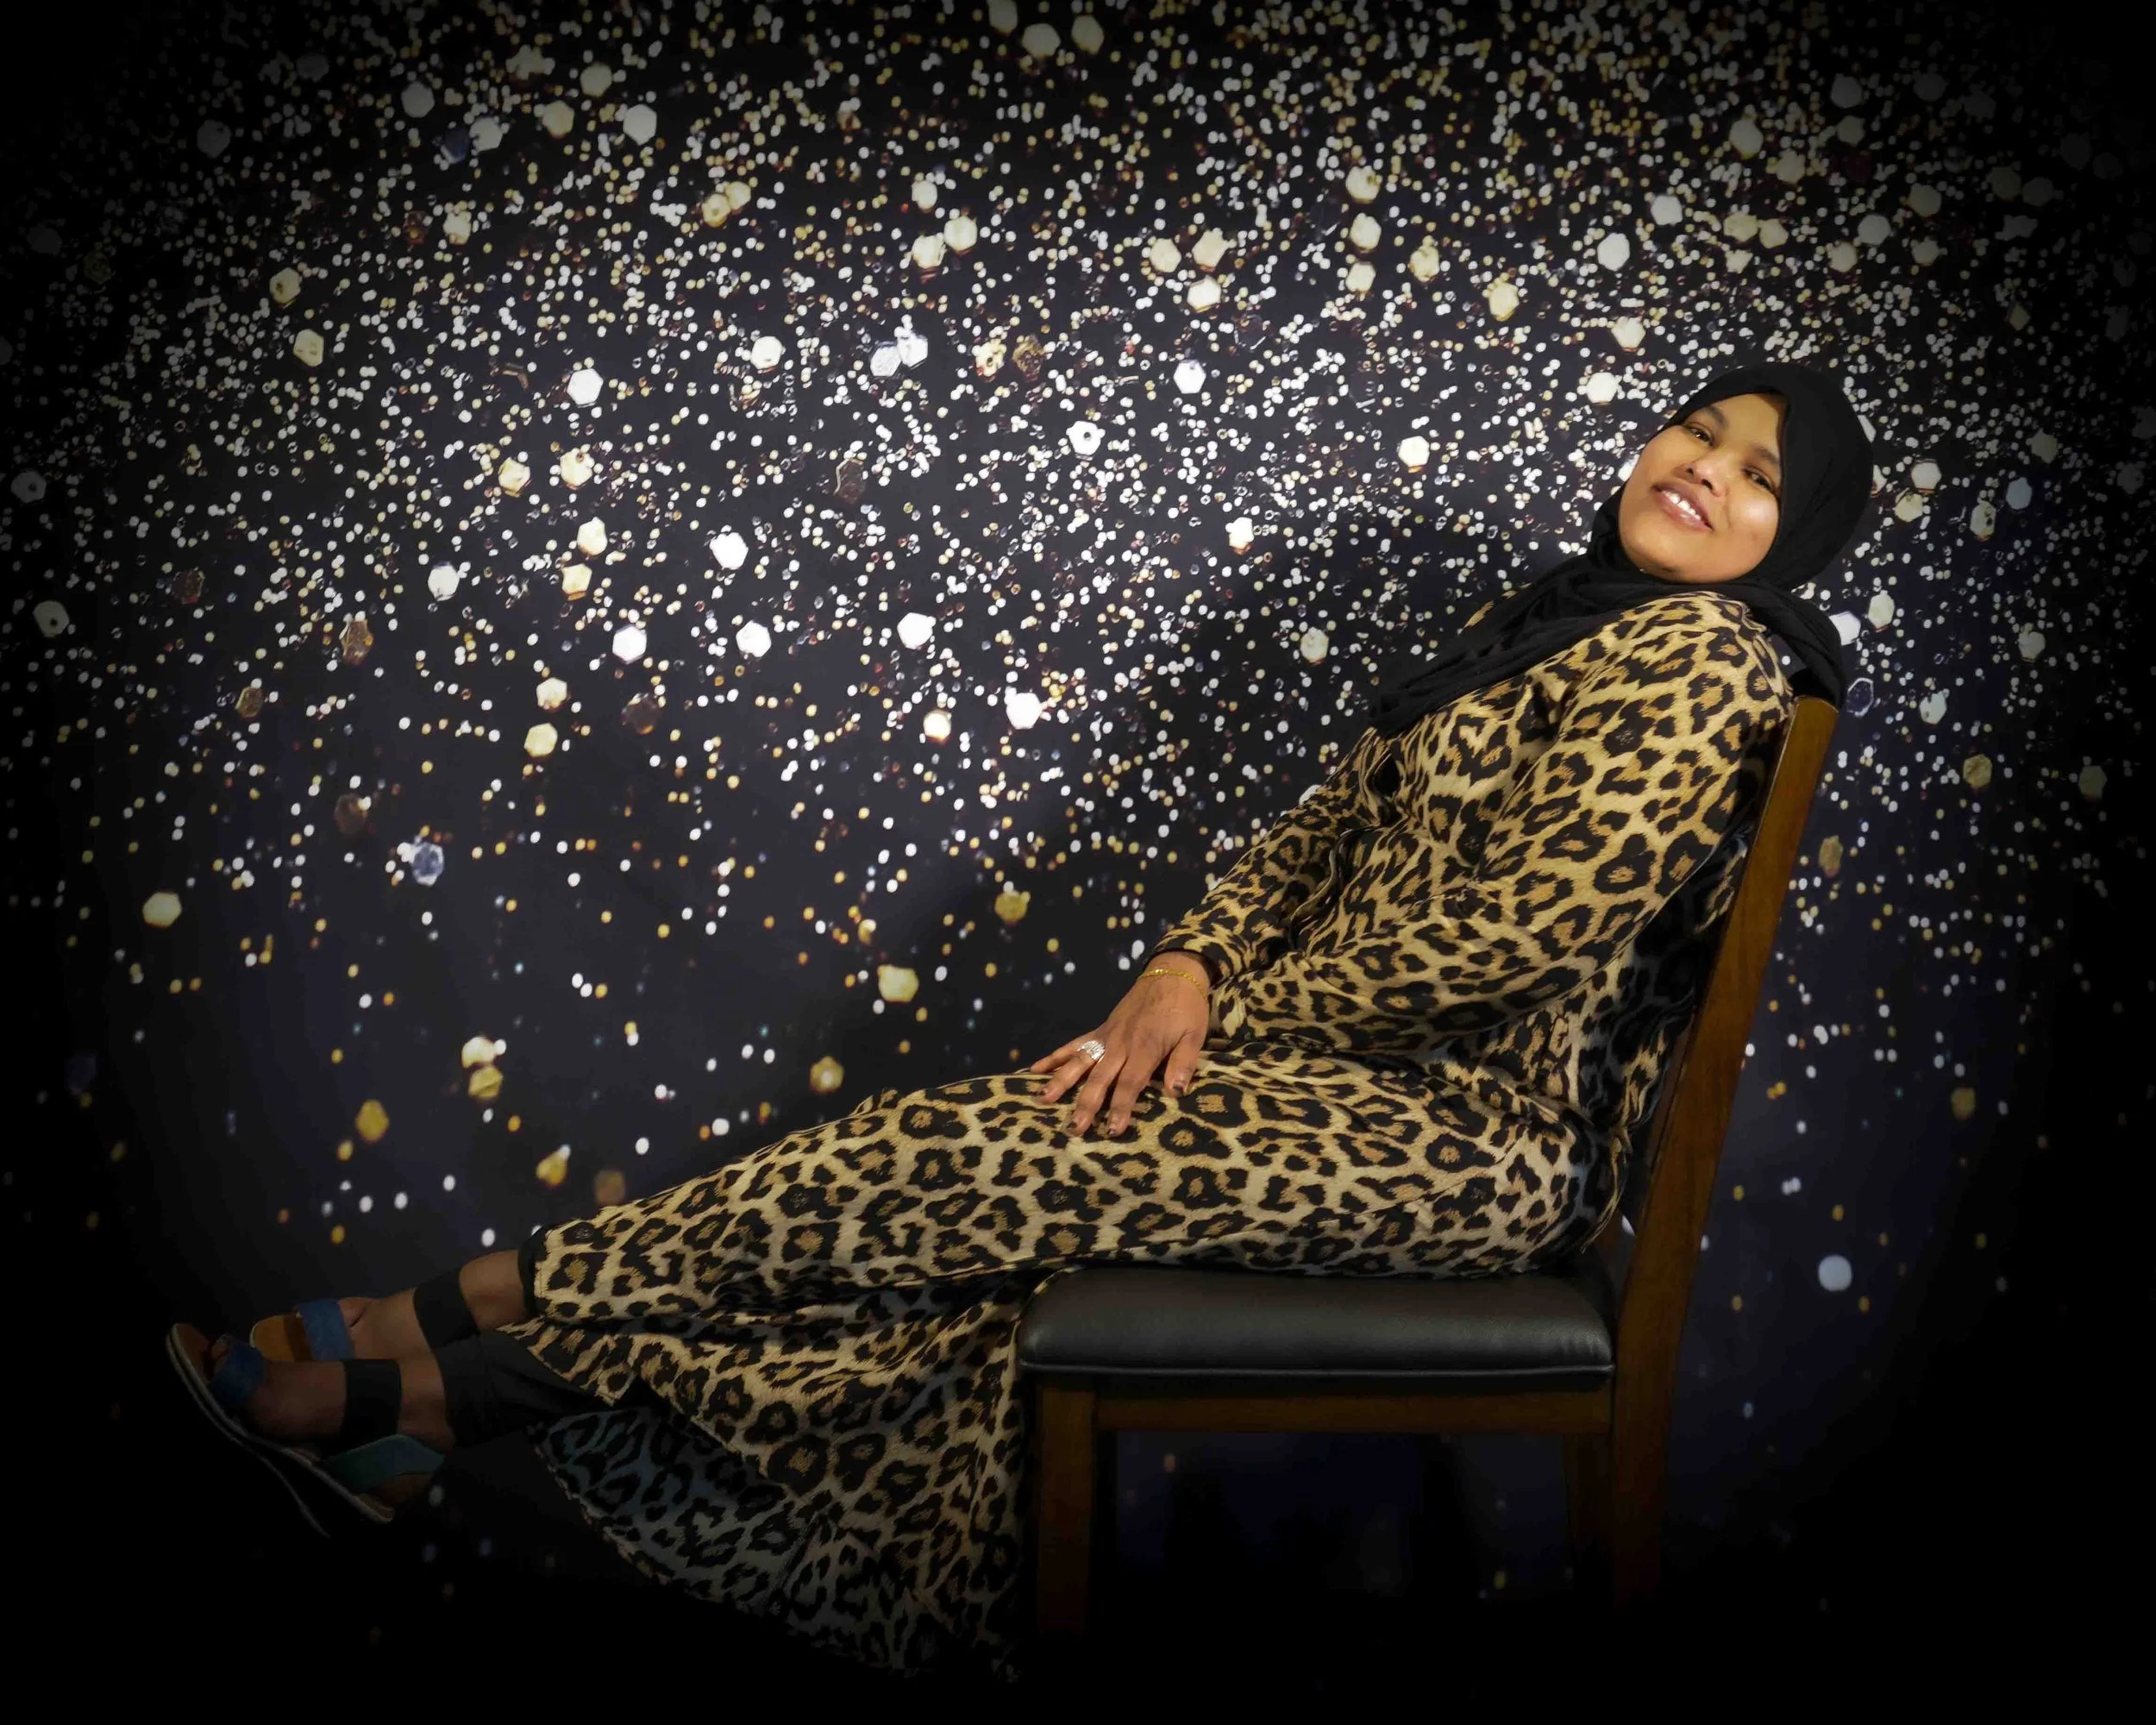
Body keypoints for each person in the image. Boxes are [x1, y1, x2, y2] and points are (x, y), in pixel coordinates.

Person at [171, 358, 1873, 1678]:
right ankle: (438, 1409)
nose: (1705, 473)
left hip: (1468, 1143)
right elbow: (1318, 838)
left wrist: (1233, 1021)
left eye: (1757, 479)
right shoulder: (1538, 626)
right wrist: (1191, 966)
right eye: (1699, 430)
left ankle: (426, 1329)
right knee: (947, 1234)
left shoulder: (1700, 659)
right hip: (1331, 1087)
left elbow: (1510, 935)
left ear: (1787, 540)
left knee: (943, 1159)